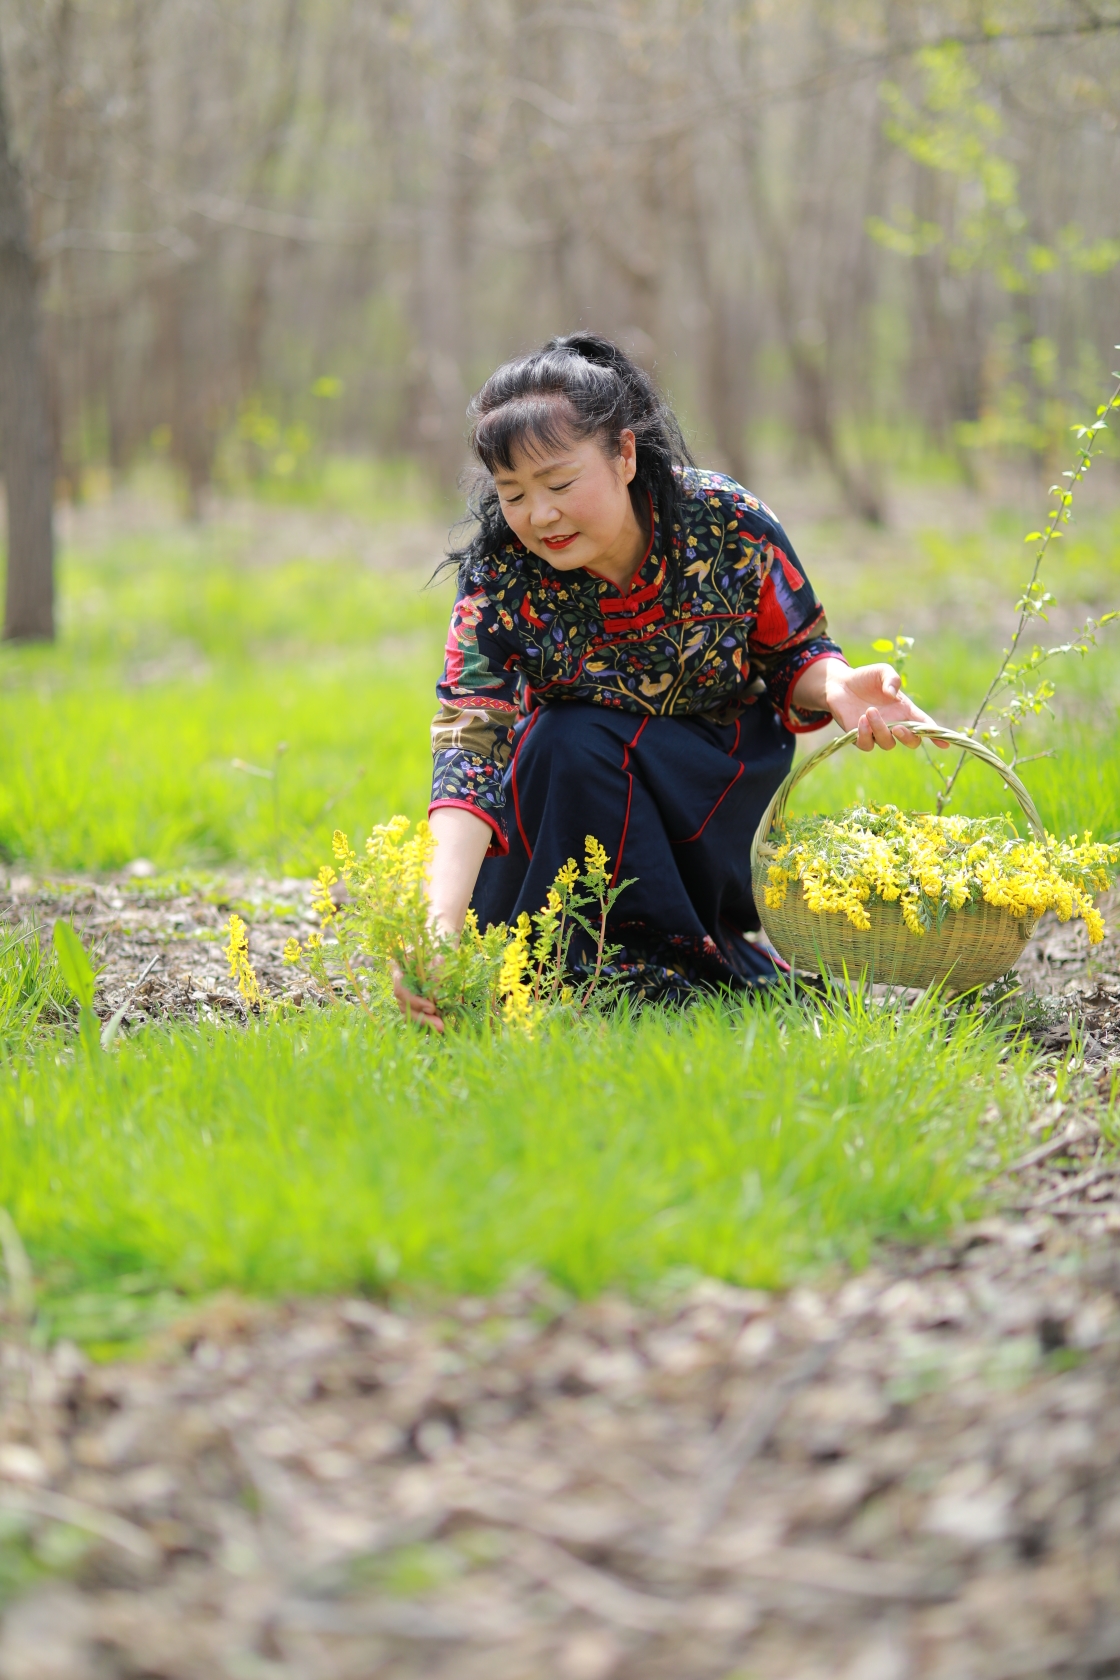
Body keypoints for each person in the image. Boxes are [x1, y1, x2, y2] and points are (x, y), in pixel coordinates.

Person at [395, 332, 938, 1029]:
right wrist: (434, 929)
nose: (540, 516)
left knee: (577, 737)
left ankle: (659, 966)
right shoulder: (502, 579)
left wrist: (833, 688)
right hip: (562, 802)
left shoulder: (727, 523)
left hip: (704, 792)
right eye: (514, 494)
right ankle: (549, 972)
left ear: (624, 455)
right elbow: (469, 748)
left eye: (559, 484)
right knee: (564, 741)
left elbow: (796, 653)